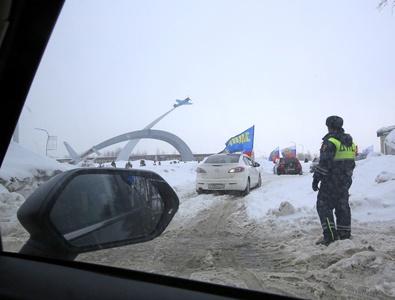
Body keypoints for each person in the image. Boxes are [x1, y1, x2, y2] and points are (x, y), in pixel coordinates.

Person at [312, 115, 356, 246]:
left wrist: (316, 179)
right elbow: (351, 163)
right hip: (345, 180)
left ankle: (330, 235)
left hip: (331, 181)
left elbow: (325, 163)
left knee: (323, 206)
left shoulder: (330, 141)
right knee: (342, 206)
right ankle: (344, 235)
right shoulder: (350, 142)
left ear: (329, 126)